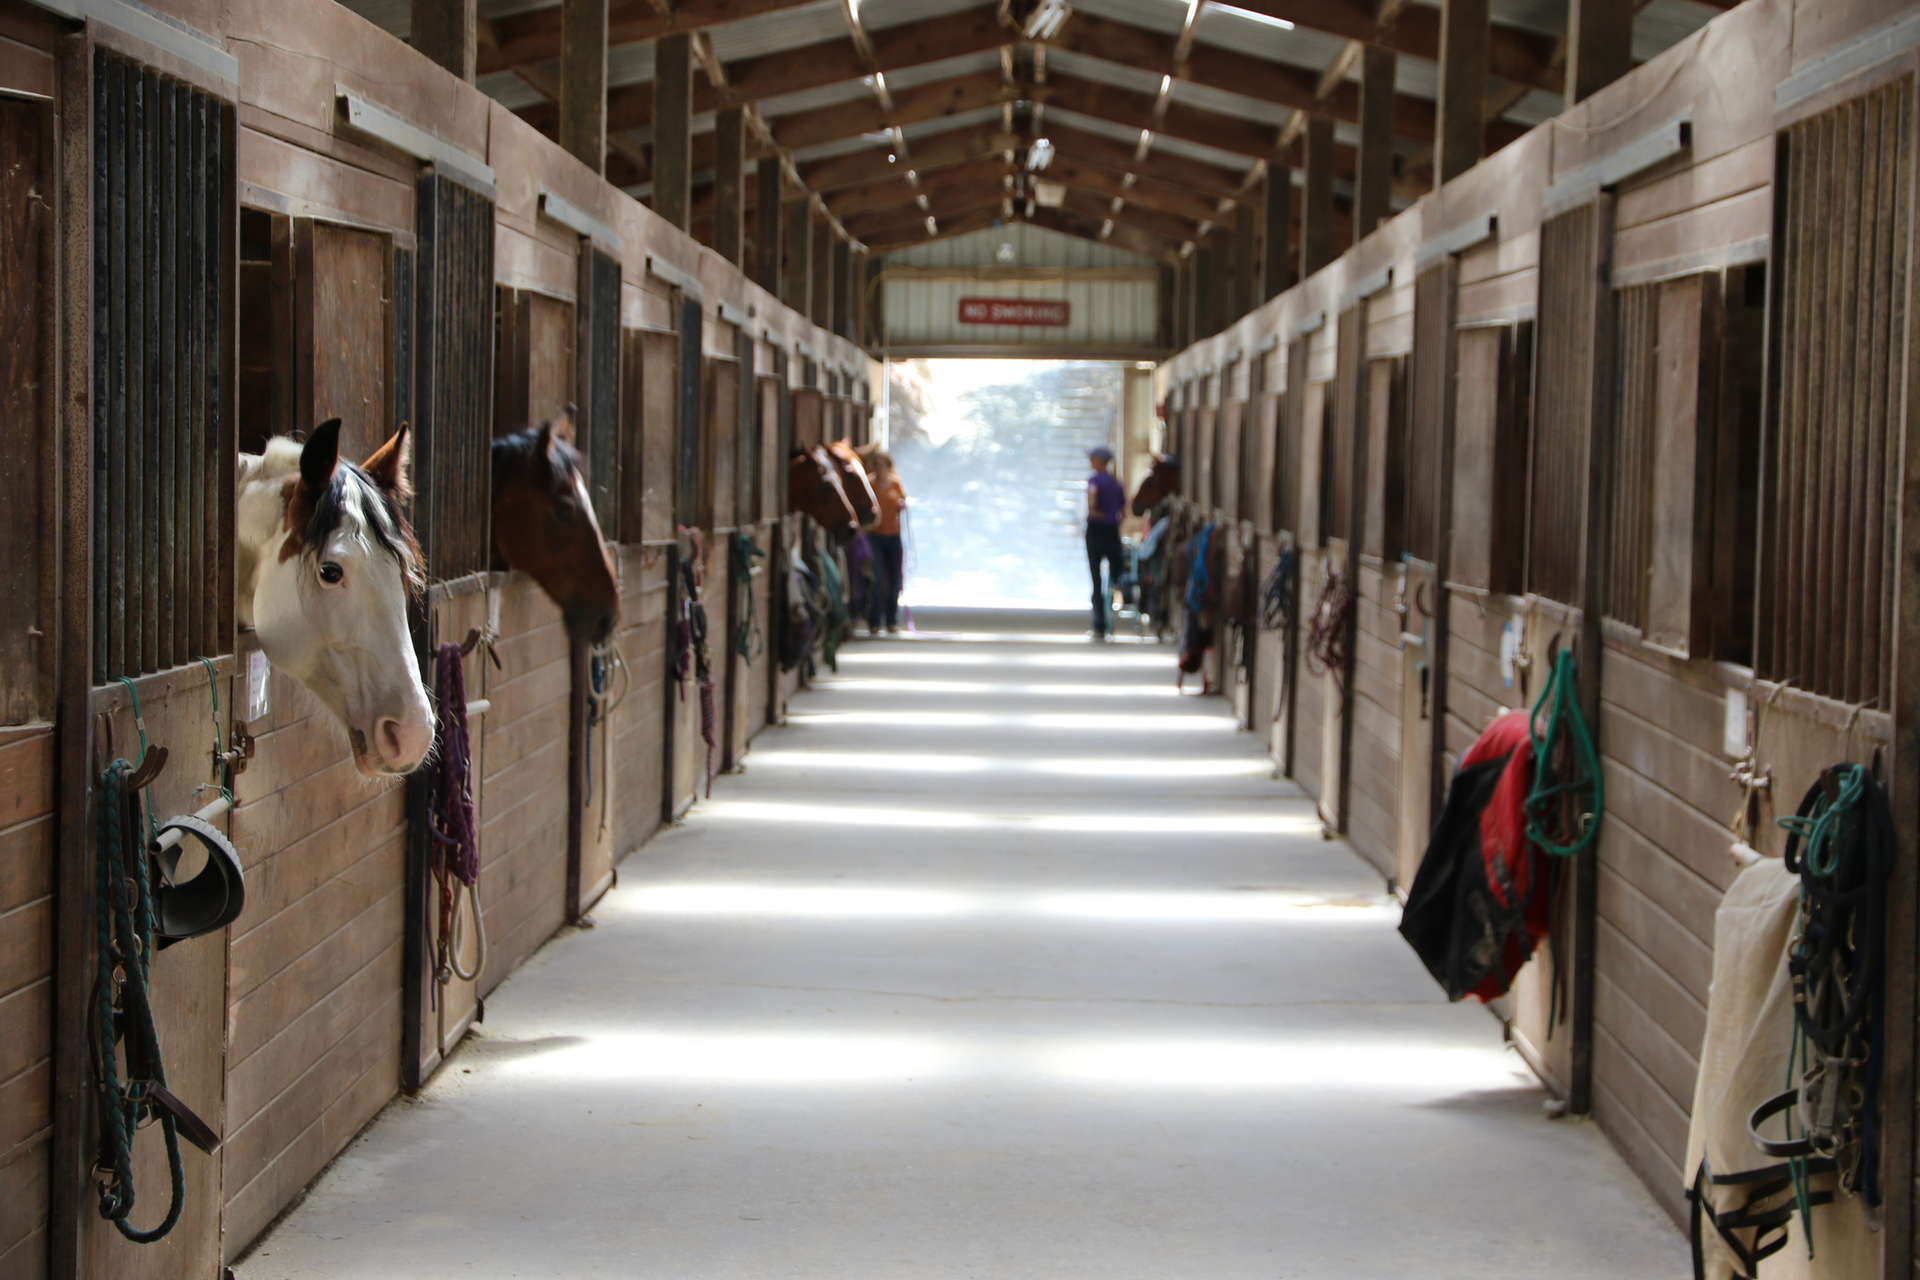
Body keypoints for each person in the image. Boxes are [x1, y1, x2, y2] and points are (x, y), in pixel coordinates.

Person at [1085, 445, 1127, 640]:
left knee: (1096, 578)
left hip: (1096, 532)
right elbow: (1124, 512)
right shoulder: (1116, 483)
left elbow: (1092, 506)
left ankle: (1099, 624)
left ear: (1100, 461)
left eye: (1093, 458)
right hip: (1112, 532)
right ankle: (1124, 596)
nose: (1090, 461)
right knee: (1116, 572)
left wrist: (1097, 513)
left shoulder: (1094, 482)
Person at [865, 450, 908, 634]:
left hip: (893, 535)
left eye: (883, 464)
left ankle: (892, 619)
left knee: (895, 578)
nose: (880, 468)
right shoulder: (869, 482)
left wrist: (902, 505)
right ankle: (874, 620)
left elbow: (902, 500)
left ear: (889, 466)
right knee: (876, 578)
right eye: (876, 464)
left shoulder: (896, 482)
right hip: (875, 534)